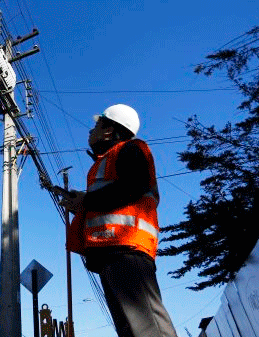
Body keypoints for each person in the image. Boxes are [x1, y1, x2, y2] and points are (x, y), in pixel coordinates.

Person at [59, 104, 178, 337]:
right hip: (110, 252)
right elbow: (111, 202)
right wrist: (81, 205)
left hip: (127, 249)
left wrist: (88, 200)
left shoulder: (131, 148)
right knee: (132, 328)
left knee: (147, 327)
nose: (89, 131)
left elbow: (133, 186)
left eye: (96, 125)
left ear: (108, 130)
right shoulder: (105, 161)